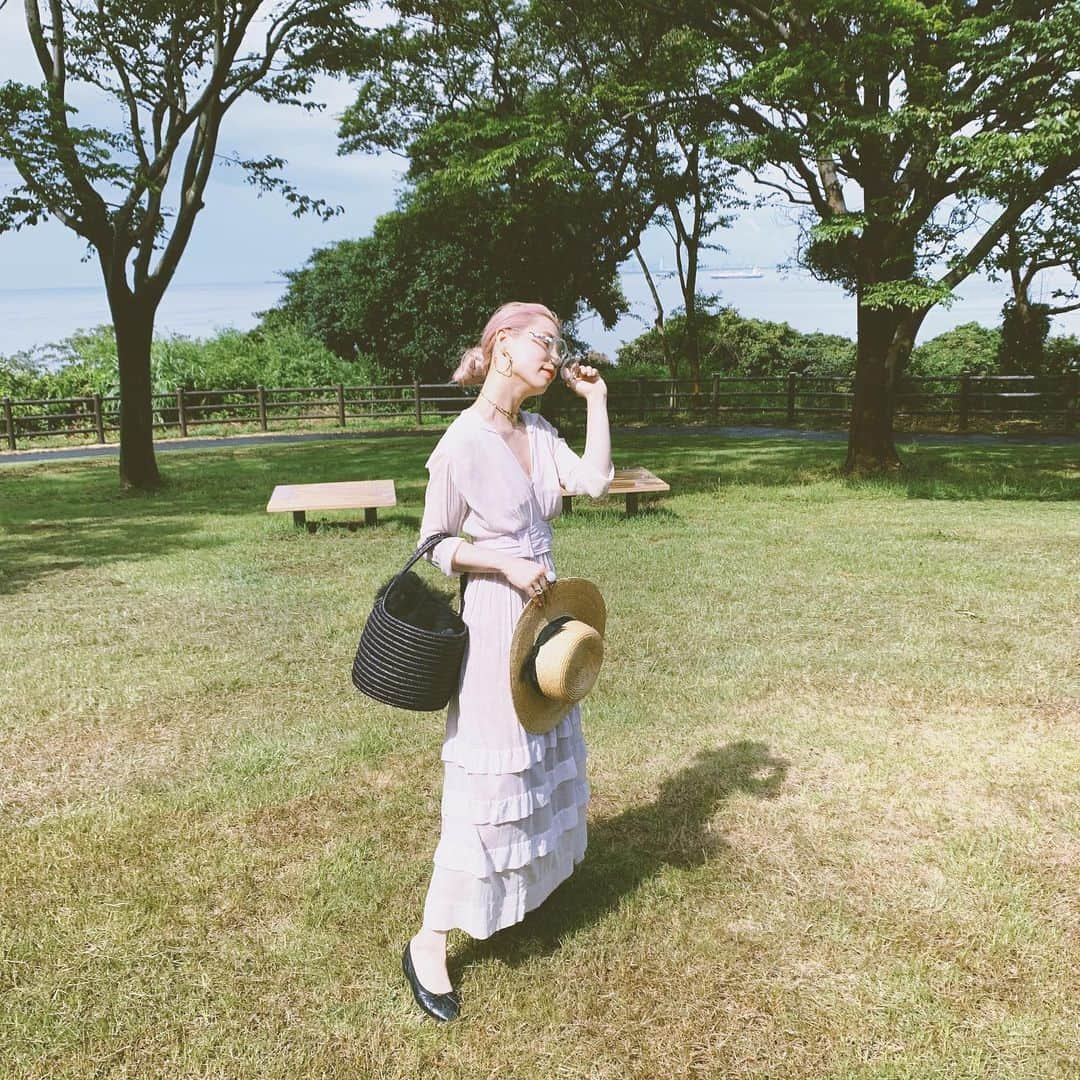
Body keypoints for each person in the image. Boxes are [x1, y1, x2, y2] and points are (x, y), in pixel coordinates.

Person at [402, 301, 613, 1021]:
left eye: (558, 345)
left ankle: (529, 893)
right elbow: (435, 544)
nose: (554, 356)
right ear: (500, 350)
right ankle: (429, 941)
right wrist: (500, 563)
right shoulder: (461, 442)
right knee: (495, 771)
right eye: (542, 343)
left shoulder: (540, 431)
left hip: (544, 614)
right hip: (495, 618)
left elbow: (595, 481)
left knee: (541, 746)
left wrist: (598, 401)